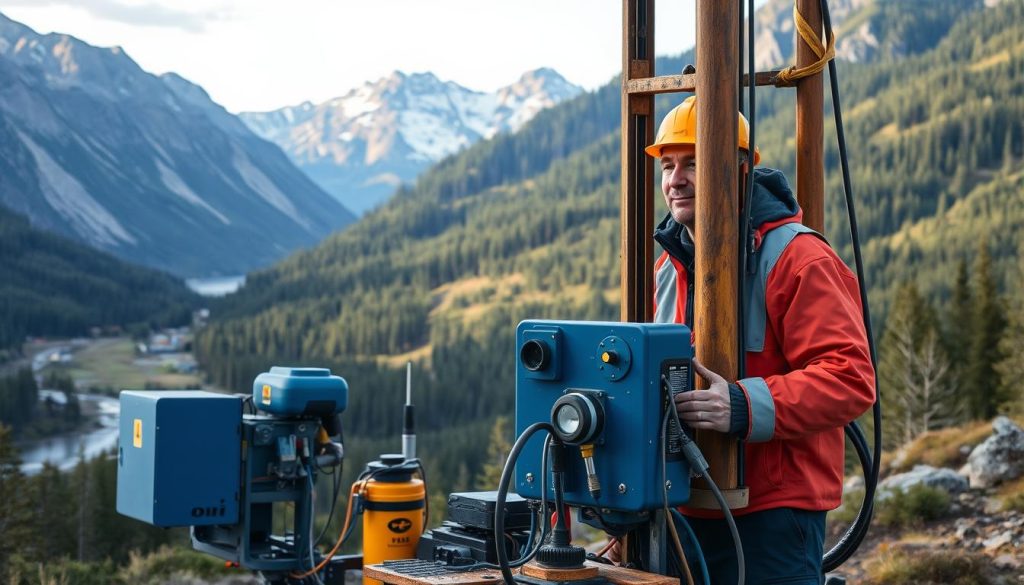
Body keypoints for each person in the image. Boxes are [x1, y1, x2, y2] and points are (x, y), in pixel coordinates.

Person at [645, 96, 875, 584]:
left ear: (740, 168)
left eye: (692, 164)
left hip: (773, 514)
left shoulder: (798, 258)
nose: (675, 180)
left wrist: (743, 406)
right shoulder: (667, 268)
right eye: (668, 166)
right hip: (681, 508)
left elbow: (850, 379)